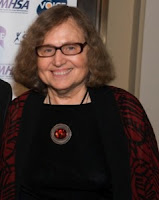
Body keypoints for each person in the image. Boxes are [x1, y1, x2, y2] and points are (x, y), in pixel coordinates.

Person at [0, 5, 159, 200]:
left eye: (70, 48)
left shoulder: (125, 109)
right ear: (35, 57)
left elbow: (148, 190)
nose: (58, 60)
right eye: (47, 49)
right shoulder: (19, 111)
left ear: (91, 52)